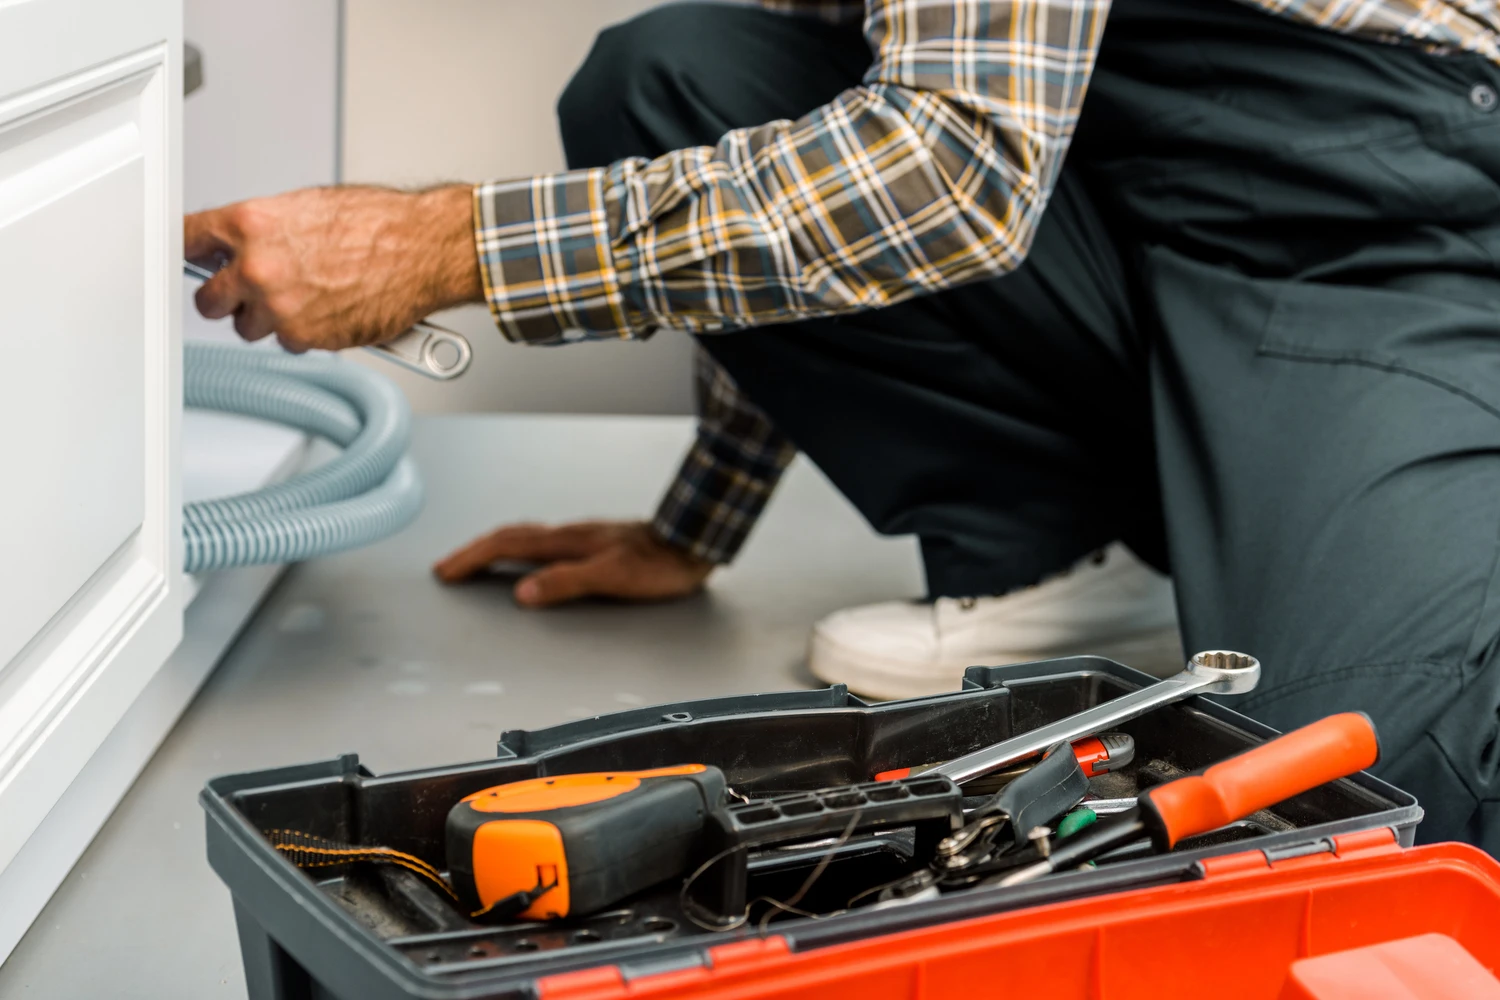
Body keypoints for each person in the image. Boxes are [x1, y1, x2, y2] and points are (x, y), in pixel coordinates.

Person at [185, 0, 1500, 849]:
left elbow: (949, 166)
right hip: (1115, 166)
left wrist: (446, 242)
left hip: (1354, 188)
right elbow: (818, 155)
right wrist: (696, 525)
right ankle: (1062, 561)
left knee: (1383, 780)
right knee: (670, 78)